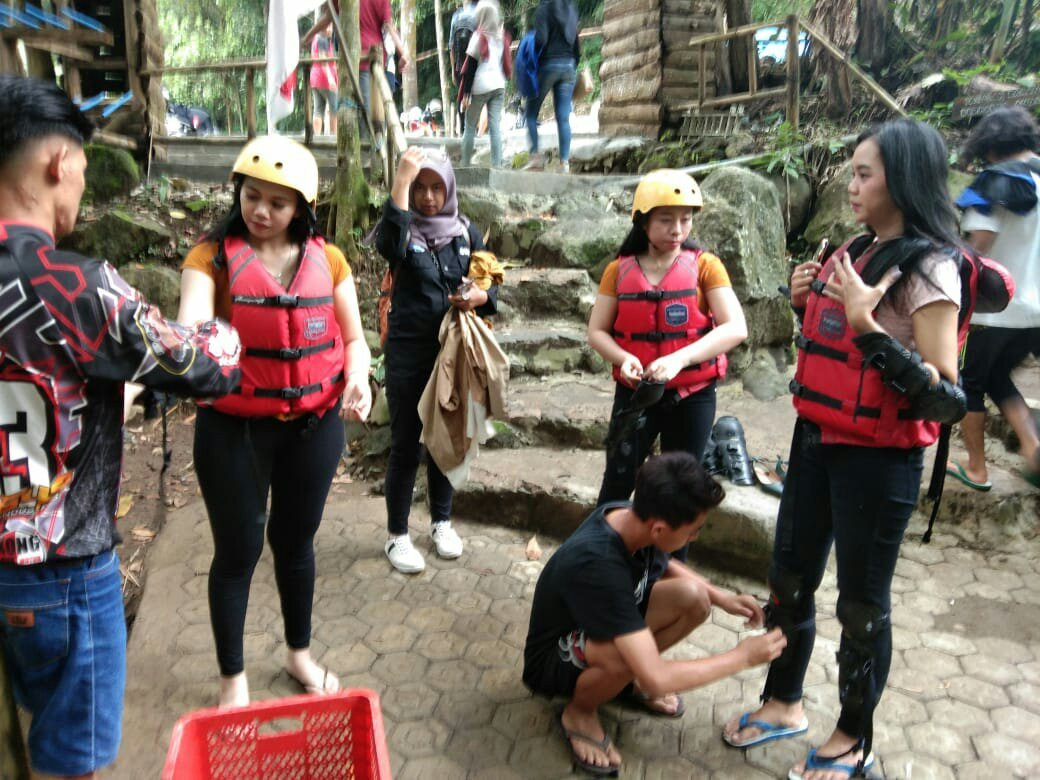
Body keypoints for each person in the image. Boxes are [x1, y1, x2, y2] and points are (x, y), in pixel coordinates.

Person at [0, 75, 241, 779]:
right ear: (60, 163)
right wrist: (214, 329)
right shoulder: (75, 283)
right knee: (73, 763)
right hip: (63, 574)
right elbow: (205, 366)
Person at [722, 118, 968, 779]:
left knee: (861, 607)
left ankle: (853, 740)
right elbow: (827, 344)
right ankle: (782, 701)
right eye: (851, 172)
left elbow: (946, 397)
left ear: (905, 180)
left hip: (879, 462)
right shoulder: (857, 250)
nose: (852, 185)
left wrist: (865, 327)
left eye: (864, 174)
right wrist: (804, 300)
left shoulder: (931, 268)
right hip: (815, 441)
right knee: (789, 579)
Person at [178, 136, 372, 707]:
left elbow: (355, 340)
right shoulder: (208, 257)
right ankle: (232, 684)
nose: (260, 211)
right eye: (251, 195)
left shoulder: (329, 260)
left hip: (313, 428)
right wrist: (188, 351)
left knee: (295, 543)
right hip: (233, 431)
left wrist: (357, 379)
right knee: (237, 551)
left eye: (277, 203)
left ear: (302, 208)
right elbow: (190, 329)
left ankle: (298, 656)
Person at [523, 452, 786, 776]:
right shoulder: (598, 563)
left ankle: (622, 682)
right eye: (693, 531)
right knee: (628, 659)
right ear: (660, 528)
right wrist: (741, 658)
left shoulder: (632, 516)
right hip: (552, 659)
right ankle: (579, 712)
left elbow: (666, 564)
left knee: (695, 599)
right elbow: (657, 677)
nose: (695, 537)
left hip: (598, 626)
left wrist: (720, 596)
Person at [588, 169, 747, 560]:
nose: (677, 229)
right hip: (637, 393)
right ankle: (594, 557)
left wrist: (679, 359)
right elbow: (597, 332)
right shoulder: (618, 270)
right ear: (643, 221)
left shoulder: (706, 266)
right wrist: (625, 358)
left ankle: (670, 571)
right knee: (618, 477)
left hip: (691, 395)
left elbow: (735, 327)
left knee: (682, 487)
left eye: (685, 219)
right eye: (665, 220)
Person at [374, 146, 499, 574]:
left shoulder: (467, 233)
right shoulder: (403, 231)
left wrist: (481, 297)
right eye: (420, 187)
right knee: (406, 445)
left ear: (449, 188)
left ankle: (442, 522)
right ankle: (397, 535)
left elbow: (492, 286)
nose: (428, 197)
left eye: (435, 187)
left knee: (447, 440)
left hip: (454, 356)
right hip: (409, 354)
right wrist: (400, 184)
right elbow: (388, 245)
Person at [948, 106, 1040, 491]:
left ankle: (977, 467)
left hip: (994, 311)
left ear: (989, 144)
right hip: (1036, 313)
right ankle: (1034, 450)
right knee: (997, 376)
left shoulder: (993, 183)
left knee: (970, 383)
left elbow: (977, 250)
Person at [302, 0, 409, 128]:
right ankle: (371, 143)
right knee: (369, 114)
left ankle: (371, 143)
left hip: (358, 60)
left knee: (367, 114)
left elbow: (328, 16)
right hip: (370, 59)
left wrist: (307, 37)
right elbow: (388, 25)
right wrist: (402, 53)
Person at [525, 0, 580, 172]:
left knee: (531, 113)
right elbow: (575, 39)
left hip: (549, 65)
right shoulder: (570, 7)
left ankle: (535, 158)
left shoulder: (545, 7)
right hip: (569, 66)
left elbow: (541, 39)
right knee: (563, 117)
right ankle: (564, 163)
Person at [458, 0, 511, 168]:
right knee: (495, 126)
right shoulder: (501, 37)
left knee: (470, 126)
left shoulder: (478, 36)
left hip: (480, 87)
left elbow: (471, 67)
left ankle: (465, 163)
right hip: (499, 85)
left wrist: (466, 94)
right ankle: (497, 165)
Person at [449, 0, 479, 131]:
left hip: (460, 66)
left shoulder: (456, 16)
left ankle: (463, 129)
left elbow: (451, 46)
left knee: (462, 97)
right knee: (476, 98)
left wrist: (452, 69)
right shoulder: (480, 12)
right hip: (476, 63)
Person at [310, 25, 339, 136]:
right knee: (334, 108)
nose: (330, 29)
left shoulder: (317, 38)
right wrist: (330, 78)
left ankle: (316, 137)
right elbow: (323, 59)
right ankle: (333, 136)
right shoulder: (322, 39)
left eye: (331, 26)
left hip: (315, 78)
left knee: (318, 109)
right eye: (328, 26)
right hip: (325, 79)